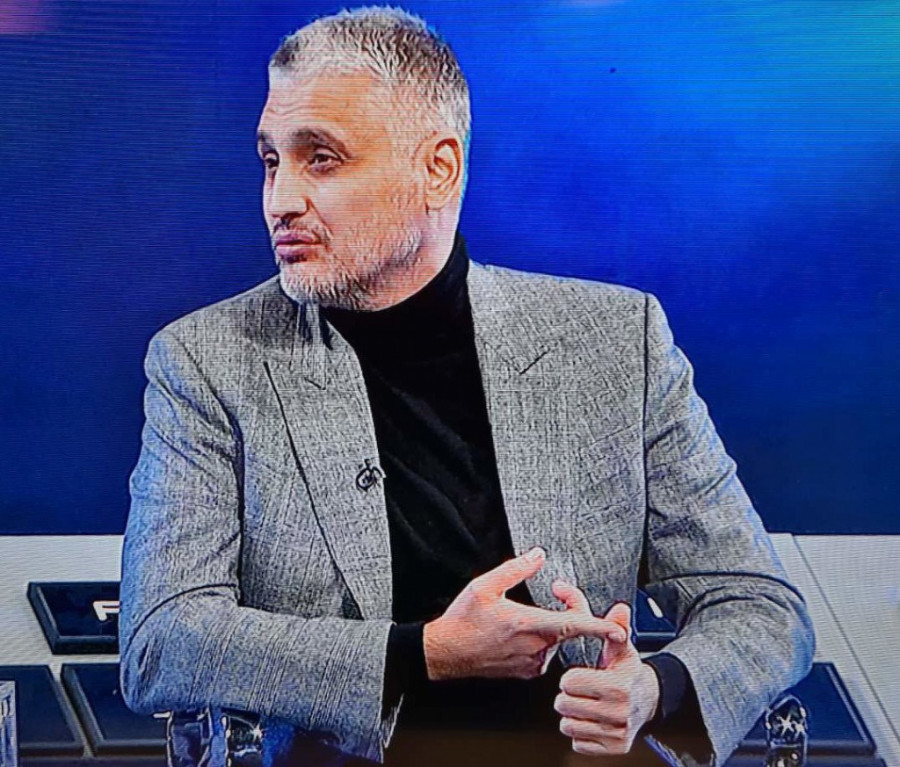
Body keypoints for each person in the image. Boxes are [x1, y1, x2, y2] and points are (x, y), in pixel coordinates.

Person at [118, 7, 815, 767]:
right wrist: (424, 653)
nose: (280, 199)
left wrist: (654, 687)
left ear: (438, 168)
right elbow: (163, 641)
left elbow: (758, 605)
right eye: (269, 160)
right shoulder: (208, 361)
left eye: (320, 159)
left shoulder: (618, 340)